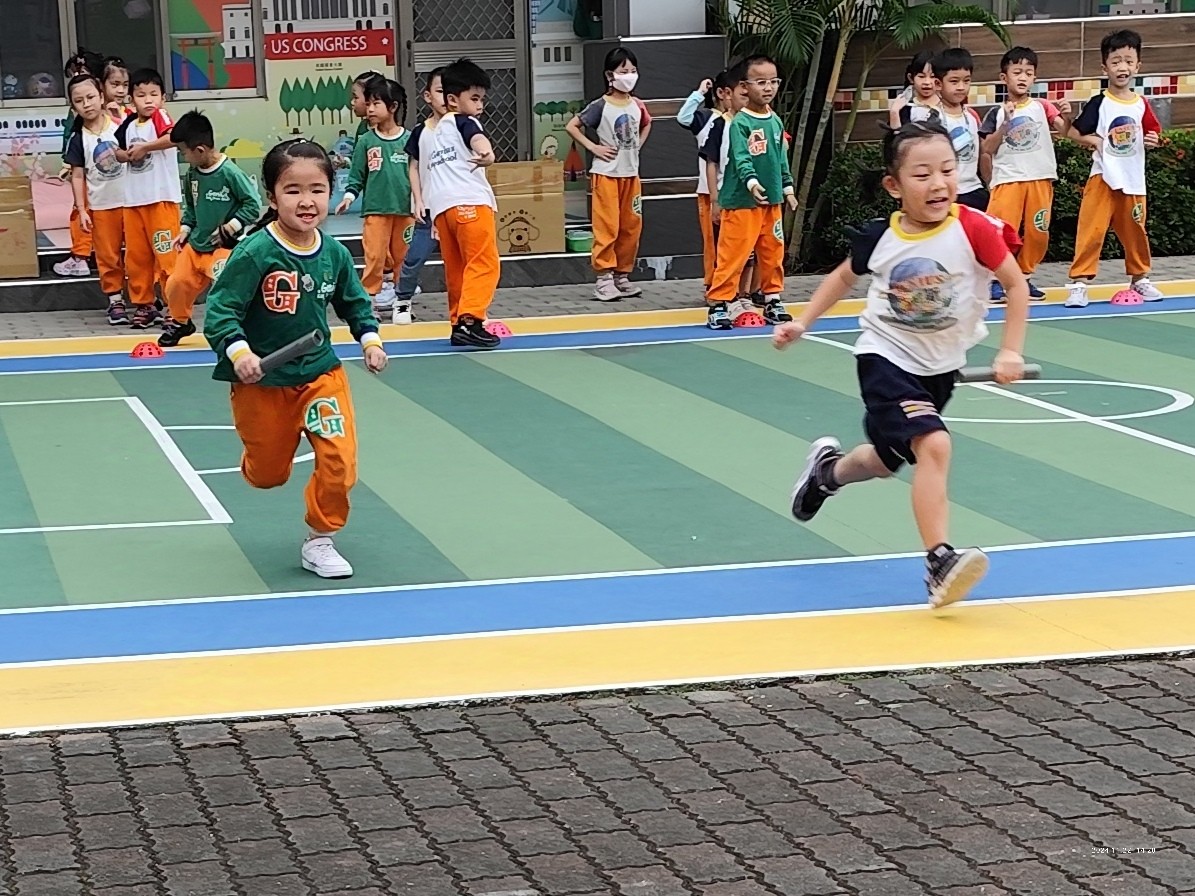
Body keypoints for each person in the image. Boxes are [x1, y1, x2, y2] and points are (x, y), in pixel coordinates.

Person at [775, 120, 1030, 609]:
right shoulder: (882, 237)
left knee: (884, 460)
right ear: (894, 185)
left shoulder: (975, 228)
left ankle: (826, 474)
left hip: (940, 369)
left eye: (948, 170)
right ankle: (939, 561)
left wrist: (1010, 350)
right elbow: (842, 278)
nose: (938, 183)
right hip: (886, 358)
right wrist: (802, 322)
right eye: (922, 174)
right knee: (934, 444)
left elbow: (1016, 285)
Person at [202, 139, 388, 579]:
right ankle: (260, 459)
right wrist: (240, 352)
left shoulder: (334, 253)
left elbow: (354, 302)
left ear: (330, 192)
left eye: (317, 189)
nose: (307, 201)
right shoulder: (255, 253)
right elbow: (221, 310)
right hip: (263, 383)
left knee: (339, 461)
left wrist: (370, 340)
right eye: (293, 190)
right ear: (271, 196)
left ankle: (320, 537)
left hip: (321, 375)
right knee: (267, 475)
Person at [406, 57, 502, 349]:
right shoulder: (464, 121)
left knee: (457, 267)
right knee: (483, 262)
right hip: (470, 202)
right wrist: (487, 154)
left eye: (482, 99)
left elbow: (422, 168)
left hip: (443, 211)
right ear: (452, 100)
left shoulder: (434, 133)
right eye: (474, 98)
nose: (480, 105)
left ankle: (458, 323)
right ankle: (471, 320)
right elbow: (478, 139)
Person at [1064, 29, 1163, 307]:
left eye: (1129, 61)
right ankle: (1079, 283)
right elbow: (1073, 133)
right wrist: (1094, 140)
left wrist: (1153, 141)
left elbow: (1153, 133)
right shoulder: (1100, 103)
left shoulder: (1141, 104)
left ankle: (1139, 278)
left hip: (1133, 180)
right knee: (1091, 231)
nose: (1123, 67)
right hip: (1103, 178)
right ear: (1104, 67)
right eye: (1116, 61)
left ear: (1138, 66)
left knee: (1135, 232)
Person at [704, 54, 797, 331]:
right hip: (741, 201)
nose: (768, 88)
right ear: (745, 86)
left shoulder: (775, 121)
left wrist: (788, 188)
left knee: (772, 252)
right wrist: (752, 183)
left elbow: (781, 159)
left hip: (772, 201)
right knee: (733, 254)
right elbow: (741, 158)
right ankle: (719, 303)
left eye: (773, 81)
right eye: (761, 82)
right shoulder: (740, 123)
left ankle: (772, 298)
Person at [159, 111, 262, 347]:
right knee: (176, 283)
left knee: (226, 289)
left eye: (183, 152)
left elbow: (253, 205)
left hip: (224, 246)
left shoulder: (230, 173)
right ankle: (180, 322)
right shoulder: (192, 174)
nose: (183, 157)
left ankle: (232, 326)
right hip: (197, 244)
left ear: (200, 150)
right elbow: (191, 206)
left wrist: (231, 227)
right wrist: (185, 229)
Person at [979, 47, 1071, 301]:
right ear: (1004, 77)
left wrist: (1067, 116)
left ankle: (1025, 276)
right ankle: (997, 279)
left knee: (1038, 232)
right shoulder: (996, 113)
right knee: (1001, 232)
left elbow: (1065, 131)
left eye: (1028, 73)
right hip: (1008, 180)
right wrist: (1006, 123)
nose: (1022, 77)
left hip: (1040, 178)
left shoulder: (1043, 106)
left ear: (1034, 78)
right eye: (1017, 72)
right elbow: (987, 148)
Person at [565, 47, 652, 302]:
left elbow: (647, 123)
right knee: (607, 226)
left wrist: (637, 145)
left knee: (630, 227)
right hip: (606, 175)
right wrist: (593, 147)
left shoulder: (637, 104)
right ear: (610, 75)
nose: (629, 75)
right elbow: (573, 126)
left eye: (633, 71)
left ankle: (621, 275)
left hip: (631, 175)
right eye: (624, 71)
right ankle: (603, 277)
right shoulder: (600, 105)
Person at [335, 77, 414, 317]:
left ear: (393, 106)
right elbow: (357, 175)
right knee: (375, 256)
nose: (369, 109)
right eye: (367, 103)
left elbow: (419, 176)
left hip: (405, 211)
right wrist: (349, 197)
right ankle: (368, 302)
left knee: (403, 257)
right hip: (375, 211)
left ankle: (402, 303)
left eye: (376, 103)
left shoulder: (410, 140)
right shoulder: (366, 141)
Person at [114, 68, 181, 329]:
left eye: (154, 94)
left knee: (167, 257)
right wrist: (125, 155)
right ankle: (144, 304)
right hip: (133, 201)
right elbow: (117, 150)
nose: (148, 100)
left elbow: (173, 138)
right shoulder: (129, 123)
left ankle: (175, 309)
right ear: (132, 99)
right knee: (137, 258)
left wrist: (146, 147)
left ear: (163, 97)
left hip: (161, 199)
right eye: (141, 95)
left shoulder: (161, 117)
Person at [63, 74, 128, 324]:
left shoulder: (121, 126)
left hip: (132, 203)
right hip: (101, 206)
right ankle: (115, 301)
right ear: (73, 107)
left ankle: (145, 301)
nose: (86, 104)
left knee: (138, 254)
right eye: (79, 101)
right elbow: (77, 176)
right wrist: (82, 210)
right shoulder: (78, 138)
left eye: (90, 97)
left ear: (102, 97)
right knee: (107, 256)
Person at [392, 67, 447, 325]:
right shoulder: (421, 131)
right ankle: (402, 300)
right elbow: (413, 167)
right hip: (428, 211)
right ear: (427, 96)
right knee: (414, 257)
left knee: (464, 261)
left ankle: (469, 309)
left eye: (451, 91)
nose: (446, 97)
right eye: (440, 91)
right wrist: (418, 200)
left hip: (456, 209)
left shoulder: (466, 128)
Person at [53, 48, 105, 279]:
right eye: (74, 75)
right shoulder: (78, 113)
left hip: (105, 176)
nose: (77, 78)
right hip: (82, 168)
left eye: (82, 73)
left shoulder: (110, 115)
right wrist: (69, 164)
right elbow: (71, 138)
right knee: (81, 210)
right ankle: (80, 257)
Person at [677, 74, 719, 293]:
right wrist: (700, 93)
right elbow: (683, 117)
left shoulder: (742, 118)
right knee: (712, 242)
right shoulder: (706, 117)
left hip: (737, 193)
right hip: (708, 192)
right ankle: (713, 284)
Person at [932, 48, 987, 211]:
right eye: (954, 81)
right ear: (938, 84)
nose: (961, 87)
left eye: (966, 81)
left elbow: (983, 154)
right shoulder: (933, 119)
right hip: (947, 194)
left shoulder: (972, 117)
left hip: (974, 190)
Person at [889, 50, 942, 127]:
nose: (927, 82)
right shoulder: (904, 106)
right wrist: (894, 113)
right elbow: (898, 134)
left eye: (933, 76)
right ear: (911, 78)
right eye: (921, 76)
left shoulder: (949, 102)